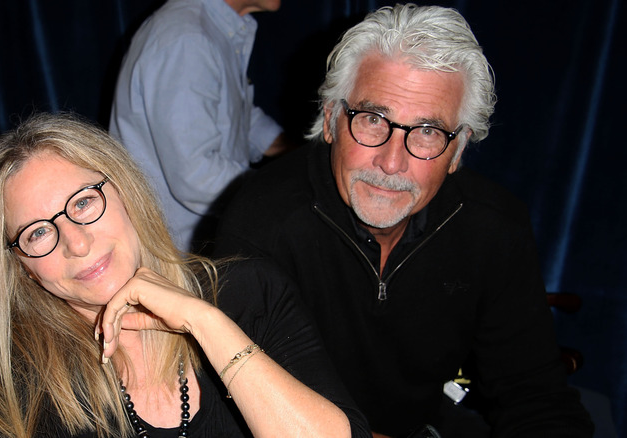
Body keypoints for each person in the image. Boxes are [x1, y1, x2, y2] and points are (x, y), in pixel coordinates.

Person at [213, 4, 594, 438]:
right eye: (373, 120)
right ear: (331, 120)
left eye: (428, 131)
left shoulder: (493, 227)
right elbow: (235, 407)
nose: (392, 162)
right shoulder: (263, 220)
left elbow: (535, 397)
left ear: (459, 150)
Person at [0, 112, 370, 437]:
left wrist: (205, 322)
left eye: (83, 203)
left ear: (126, 191)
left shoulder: (252, 293)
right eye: (38, 233)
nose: (76, 243)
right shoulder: (25, 385)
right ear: (23, 270)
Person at [109, 0, 296, 252]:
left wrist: (298, 153)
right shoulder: (187, 38)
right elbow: (196, 174)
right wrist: (289, 192)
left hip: (193, 248)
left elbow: (237, 117)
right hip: (182, 257)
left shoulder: (207, 29)